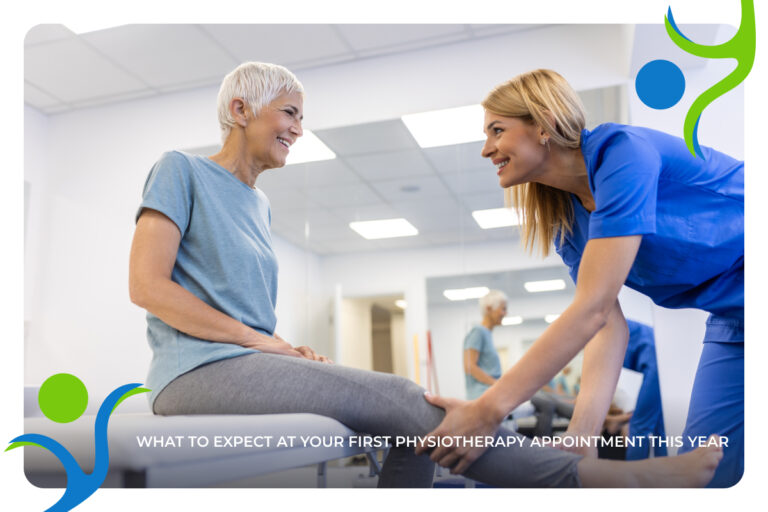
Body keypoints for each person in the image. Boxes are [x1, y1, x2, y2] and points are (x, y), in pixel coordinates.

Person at [129, 62, 723, 488]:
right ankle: (590, 480)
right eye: (290, 113)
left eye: (301, 117)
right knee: (402, 397)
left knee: (400, 421)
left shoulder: (257, 203)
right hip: (196, 374)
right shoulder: (180, 169)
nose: (298, 129)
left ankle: (573, 468)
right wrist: (262, 342)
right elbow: (148, 287)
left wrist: (277, 349)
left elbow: (599, 316)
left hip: (249, 361)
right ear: (239, 109)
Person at [418, 69, 742, 487]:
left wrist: (487, 411)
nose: (486, 149)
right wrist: (579, 439)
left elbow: (590, 309)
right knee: (711, 471)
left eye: (497, 130)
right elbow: (606, 328)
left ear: (544, 124)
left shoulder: (624, 153)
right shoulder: (567, 224)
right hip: (735, 322)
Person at [463, 290, 507, 400]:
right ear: (489, 309)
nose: (505, 313)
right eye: (503, 309)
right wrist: (497, 384)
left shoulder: (487, 334)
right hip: (481, 396)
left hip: (491, 394)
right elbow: (469, 366)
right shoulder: (478, 331)